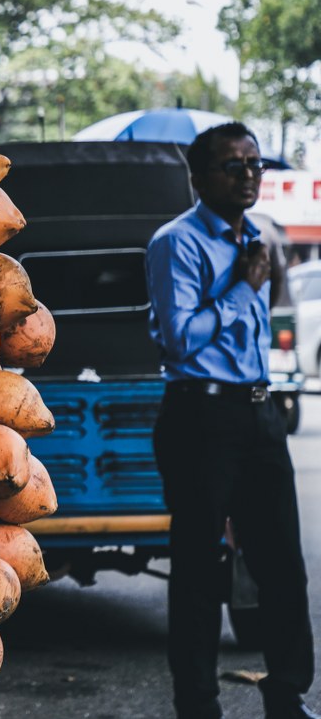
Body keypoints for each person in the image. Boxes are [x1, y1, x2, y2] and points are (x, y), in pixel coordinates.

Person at [145, 122, 315, 719]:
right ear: (198, 177)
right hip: (201, 414)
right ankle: (197, 706)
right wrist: (245, 289)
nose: (248, 176)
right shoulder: (177, 242)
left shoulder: (260, 240)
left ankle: (287, 695)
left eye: (254, 165)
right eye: (232, 166)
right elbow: (181, 340)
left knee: (281, 564)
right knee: (197, 566)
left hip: (257, 412)